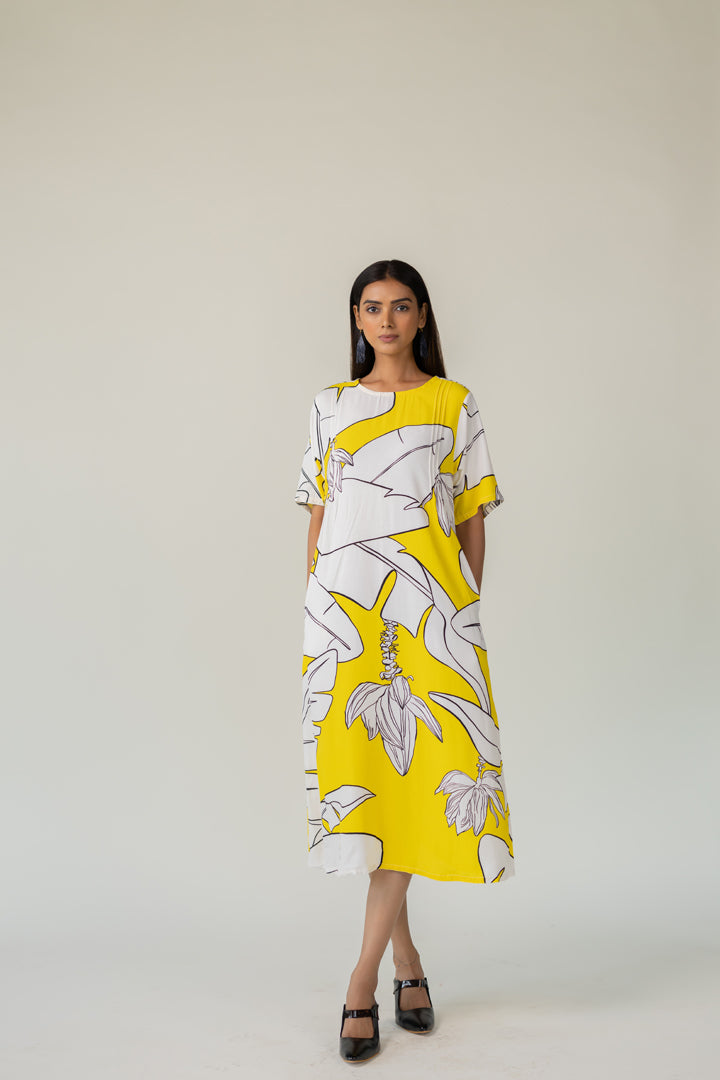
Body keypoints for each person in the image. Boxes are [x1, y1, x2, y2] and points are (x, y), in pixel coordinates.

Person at [295, 259, 515, 1064]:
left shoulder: (454, 403)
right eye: (371, 307)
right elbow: (320, 512)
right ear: (357, 319)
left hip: (432, 616)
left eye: (399, 306)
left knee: (424, 775)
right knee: (378, 784)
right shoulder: (330, 405)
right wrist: (319, 610)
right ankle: (407, 961)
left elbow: (471, 514)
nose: (385, 320)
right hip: (346, 616)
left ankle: (361, 981)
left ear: (422, 316)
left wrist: (462, 609)